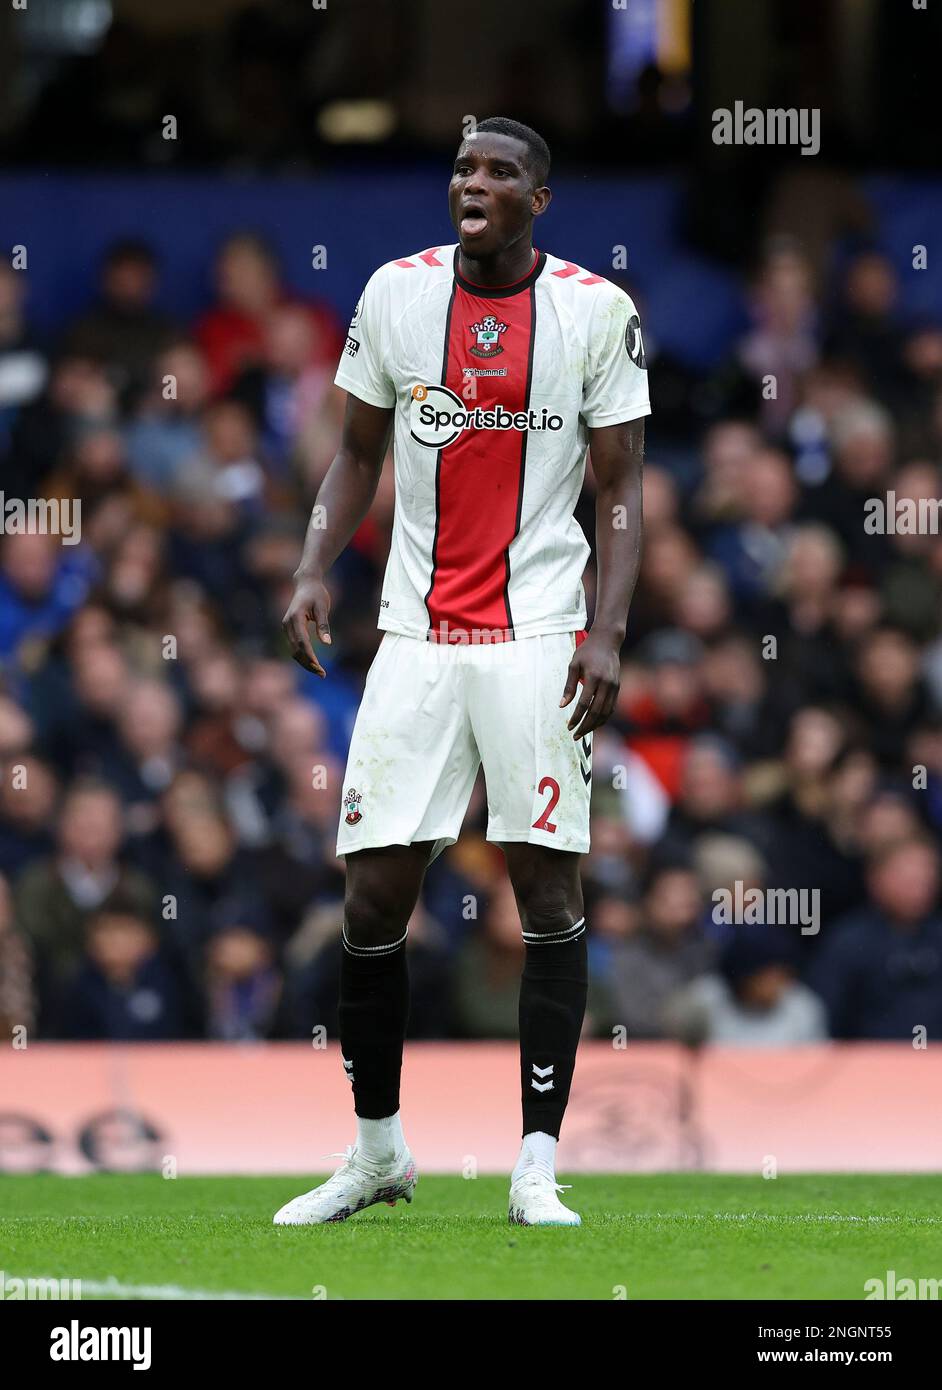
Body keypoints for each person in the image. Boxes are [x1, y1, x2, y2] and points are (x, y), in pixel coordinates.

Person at [278, 117, 649, 1226]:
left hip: (538, 631)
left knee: (543, 890)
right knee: (373, 891)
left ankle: (535, 1162)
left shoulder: (595, 310)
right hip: (417, 631)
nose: (472, 184)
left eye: (499, 173)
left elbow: (620, 489)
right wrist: (310, 566)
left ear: (541, 199)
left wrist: (609, 628)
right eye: (463, 169)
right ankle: (379, 1151)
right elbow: (355, 453)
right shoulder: (396, 293)